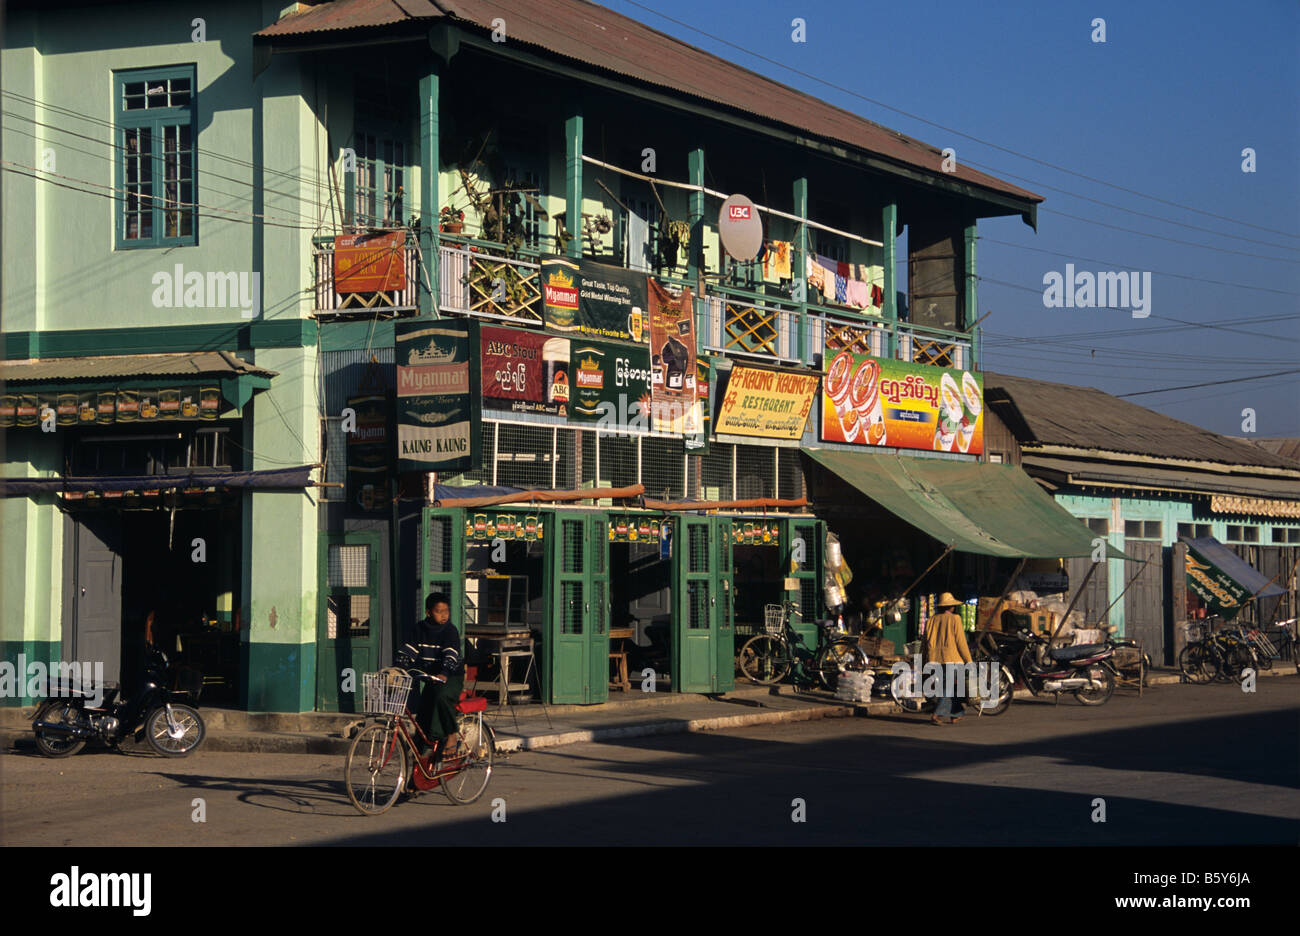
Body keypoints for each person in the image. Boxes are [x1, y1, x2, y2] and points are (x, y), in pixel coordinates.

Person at [397, 592, 464, 762]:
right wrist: (397, 669)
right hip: (431, 677)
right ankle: (415, 778)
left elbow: (451, 656)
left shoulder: (450, 631)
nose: (444, 615)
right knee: (423, 719)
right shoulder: (419, 629)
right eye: (439, 611)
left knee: (442, 697)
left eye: (446, 611)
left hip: (451, 677)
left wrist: (444, 673)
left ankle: (451, 734)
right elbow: (408, 652)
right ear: (428, 613)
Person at [924, 592, 972, 725]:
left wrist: (923, 662)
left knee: (953, 687)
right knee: (950, 687)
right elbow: (961, 643)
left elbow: (924, 644)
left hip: (935, 660)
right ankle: (937, 714)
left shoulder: (931, 620)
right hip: (952, 659)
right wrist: (969, 660)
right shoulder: (955, 619)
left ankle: (956, 714)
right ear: (951, 607)